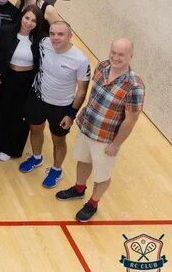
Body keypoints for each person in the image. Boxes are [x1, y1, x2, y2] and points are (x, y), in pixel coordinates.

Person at [55, 38, 144, 222]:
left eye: (121, 54)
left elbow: (130, 120)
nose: (115, 57)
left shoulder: (134, 86)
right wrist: (78, 114)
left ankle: (93, 203)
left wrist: (116, 144)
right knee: (83, 160)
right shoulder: (102, 66)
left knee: (102, 175)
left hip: (106, 139)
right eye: (113, 52)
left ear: (131, 56)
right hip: (87, 127)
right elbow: (93, 96)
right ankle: (79, 189)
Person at [19, 21, 91, 189]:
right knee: (35, 129)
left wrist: (71, 114)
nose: (55, 38)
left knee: (58, 140)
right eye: (52, 33)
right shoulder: (44, 43)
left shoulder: (80, 60)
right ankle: (36, 158)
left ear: (70, 36)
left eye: (60, 34)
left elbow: (81, 91)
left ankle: (56, 170)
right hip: (38, 98)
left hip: (61, 106)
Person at [0, 5, 42, 161]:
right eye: (27, 18)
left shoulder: (40, 39)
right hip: (8, 77)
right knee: (2, 109)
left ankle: (10, 148)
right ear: (21, 17)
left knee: (19, 114)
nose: (29, 23)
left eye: (33, 20)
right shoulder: (6, 31)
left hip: (27, 81)